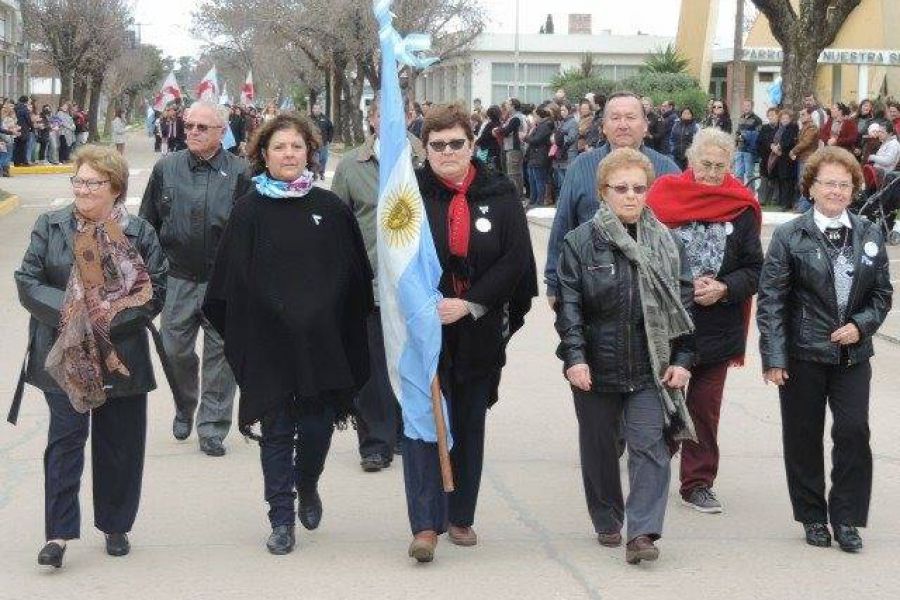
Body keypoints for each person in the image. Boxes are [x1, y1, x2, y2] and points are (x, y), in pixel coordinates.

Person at [203, 113, 372, 555]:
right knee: (277, 432)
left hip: (321, 345)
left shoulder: (331, 210)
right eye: (279, 147)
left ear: (310, 153)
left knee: (316, 429)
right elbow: (226, 288)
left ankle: (308, 482)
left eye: (297, 146)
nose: (289, 154)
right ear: (263, 154)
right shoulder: (248, 212)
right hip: (268, 346)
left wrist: (327, 314)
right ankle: (281, 518)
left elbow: (356, 278)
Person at [14, 145, 167, 567]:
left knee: (119, 442)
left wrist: (105, 320)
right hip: (64, 354)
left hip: (122, 352)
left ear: (114, 188)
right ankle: (59, 534)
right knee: (65, 441)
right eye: (78, 181)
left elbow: (154, 293)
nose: (82, 189)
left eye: (92, 182)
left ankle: (115, 525)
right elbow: (27, 280)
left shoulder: (139, 233)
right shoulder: (51, 224)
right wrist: (74, 314)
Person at [406, 103, 536, 562]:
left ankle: (460, 515)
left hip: (476, 326)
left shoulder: (500, 194)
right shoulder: (409, 195)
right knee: (423, 424)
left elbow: (515, 260)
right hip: (424, 326)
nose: (447, 152)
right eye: (436, 145)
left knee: (468, 422)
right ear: (426, 149)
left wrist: (468, 303)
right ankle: (425, 523)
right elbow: (396, 254)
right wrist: (423, 306)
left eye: (456, 143)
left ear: (472, 144)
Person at [555, 147, 695, 565]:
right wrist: (575, 358)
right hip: (596, 367)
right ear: (603, 192)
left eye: (639, 188)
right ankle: (607, 517)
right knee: (599, 450)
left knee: (649, 446)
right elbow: (570, 307)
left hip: (651, 368)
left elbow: (684, 308)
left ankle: (643, 532)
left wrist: (682, 360)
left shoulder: (668, 243)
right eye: (621, 189)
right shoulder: (580, 243)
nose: (631, 196)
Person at [757, 146, 892, 553]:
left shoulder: (869, 232)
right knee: (803, 436)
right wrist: (774, 357)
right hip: (803, 354)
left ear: (854, 189)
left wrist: (861, 326)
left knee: (853, 432)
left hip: (853, 356)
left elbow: (882, 295)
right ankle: (813, 516)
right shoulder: (789, 234)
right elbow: (771, 300)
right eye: (828, 183)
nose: (837, 191)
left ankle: (847, 518)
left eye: (845, 184)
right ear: (811, 187)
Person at [646, 128, 763, 513]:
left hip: (717, 326)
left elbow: (753, 269)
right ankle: (652, 474)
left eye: (720, 166)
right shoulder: (663, 196)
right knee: (661, 403)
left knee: (704, 408)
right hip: (667, 323)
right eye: (705, 164)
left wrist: (725, 288)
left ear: (731, 166)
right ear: (691, 162)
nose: (712, 173)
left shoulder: (741, 206)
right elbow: (645, 255)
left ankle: (697, 482)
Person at [139, 100, 252, 456]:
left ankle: (212, 427)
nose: (192, 132)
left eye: (202, 127)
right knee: (174, 350)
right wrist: (147, 275)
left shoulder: (240, 172)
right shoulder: (166, 168)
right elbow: (147, 225)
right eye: (189, 126)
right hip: (178, 278)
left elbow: (251, 233)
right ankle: (185, 405)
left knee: (221, 356)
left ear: (222, 131)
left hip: (223, 283)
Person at [331, 94, 426, 472]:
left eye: (398, 113)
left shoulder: (424, 160)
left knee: (410, 361)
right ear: (371, 119)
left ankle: (406, 431)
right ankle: (375, 441)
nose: (387, 120)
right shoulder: (352, 166)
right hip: (368, 284)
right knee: (370, 367)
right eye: (379, 113)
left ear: (408, 117)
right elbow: (337, 225)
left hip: (414, 284)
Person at [545, 91, 681, 308]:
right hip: (592, 293)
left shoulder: (668, 171)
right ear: (604, 126)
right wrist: (553, 284)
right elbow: (563, 227)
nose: (623, 124)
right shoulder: (581, 167)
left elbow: (681, 237)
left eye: (631, 117)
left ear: (645, 125)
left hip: (654, 296)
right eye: (615, 118)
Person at [790, 109, 821, 213]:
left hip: (808, 158)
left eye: (803, 114)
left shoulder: (812, 127)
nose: (801, 116)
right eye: (800, 114)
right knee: (802, 182)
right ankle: (803, 206)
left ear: (809, 116)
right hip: (803, 157)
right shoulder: (804, 127)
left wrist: (793, 151)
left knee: (804, 182)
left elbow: (806, 142)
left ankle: (804, 207)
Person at [769, 108, 799, 210]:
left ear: (790, 119)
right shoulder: (780, 128)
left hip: (788, 157)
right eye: (782, 118)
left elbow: (789, 141)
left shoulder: (793, 127)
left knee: (788, 181)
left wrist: (779, 147)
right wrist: (773, 146)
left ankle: (787, 203)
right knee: (782, 180)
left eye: (786, 118)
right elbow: (774, 139)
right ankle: (783, 202)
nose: (784, 120)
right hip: (780, 157)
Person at [524, 105, 554, 207]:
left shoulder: (545, 126)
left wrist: (526, 137)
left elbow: (536, 140)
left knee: (539, 179)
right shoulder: (538, 126)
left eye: (535, 116)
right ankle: (533, 199)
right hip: (534, 156)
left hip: (540, 156)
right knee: (532, 179)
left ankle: (539, 201)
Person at [734, 100, 762, 184]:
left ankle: (751, 194)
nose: (746, 107)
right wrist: (736, 142)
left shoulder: (757, 119)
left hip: (749, 151)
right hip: (740, 149)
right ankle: (740, 193)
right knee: (738, 174)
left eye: (748, 106)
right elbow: (738, 132)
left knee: (750, 175)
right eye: (744, 105)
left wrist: (745, 136)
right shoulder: (741, 118)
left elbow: (758, 135)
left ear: (752, 107)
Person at [756, 107, 779, 205]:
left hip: (777, 158)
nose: (771, 117)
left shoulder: (780, 128)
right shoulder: (764, 128)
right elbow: (759, 142)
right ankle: (762, 200)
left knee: (776, 179)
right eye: (769, 115)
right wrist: (768, 146)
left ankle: (775, 199)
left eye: (773, 115)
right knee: (764, 179)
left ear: (778, 116)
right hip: (765, 158)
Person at [474, 104, 502, 172]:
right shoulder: (501, 124)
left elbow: (483, 136)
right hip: (498, 150)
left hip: (488, 150)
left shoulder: (489, 125)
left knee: (489, 170)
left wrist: (476, 142)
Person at [310, 104, 334, 180]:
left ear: (320, 110)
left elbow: (331, 129)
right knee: (314, 159)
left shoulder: (325, 119)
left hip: (323, 143)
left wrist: (329, 139)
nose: (316, 110)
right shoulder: (309, 119)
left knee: (323, 159)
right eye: (315, 108)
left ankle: (322, 173)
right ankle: (314, 174)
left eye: (318, 108)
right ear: (312, 110)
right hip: (313, 144)